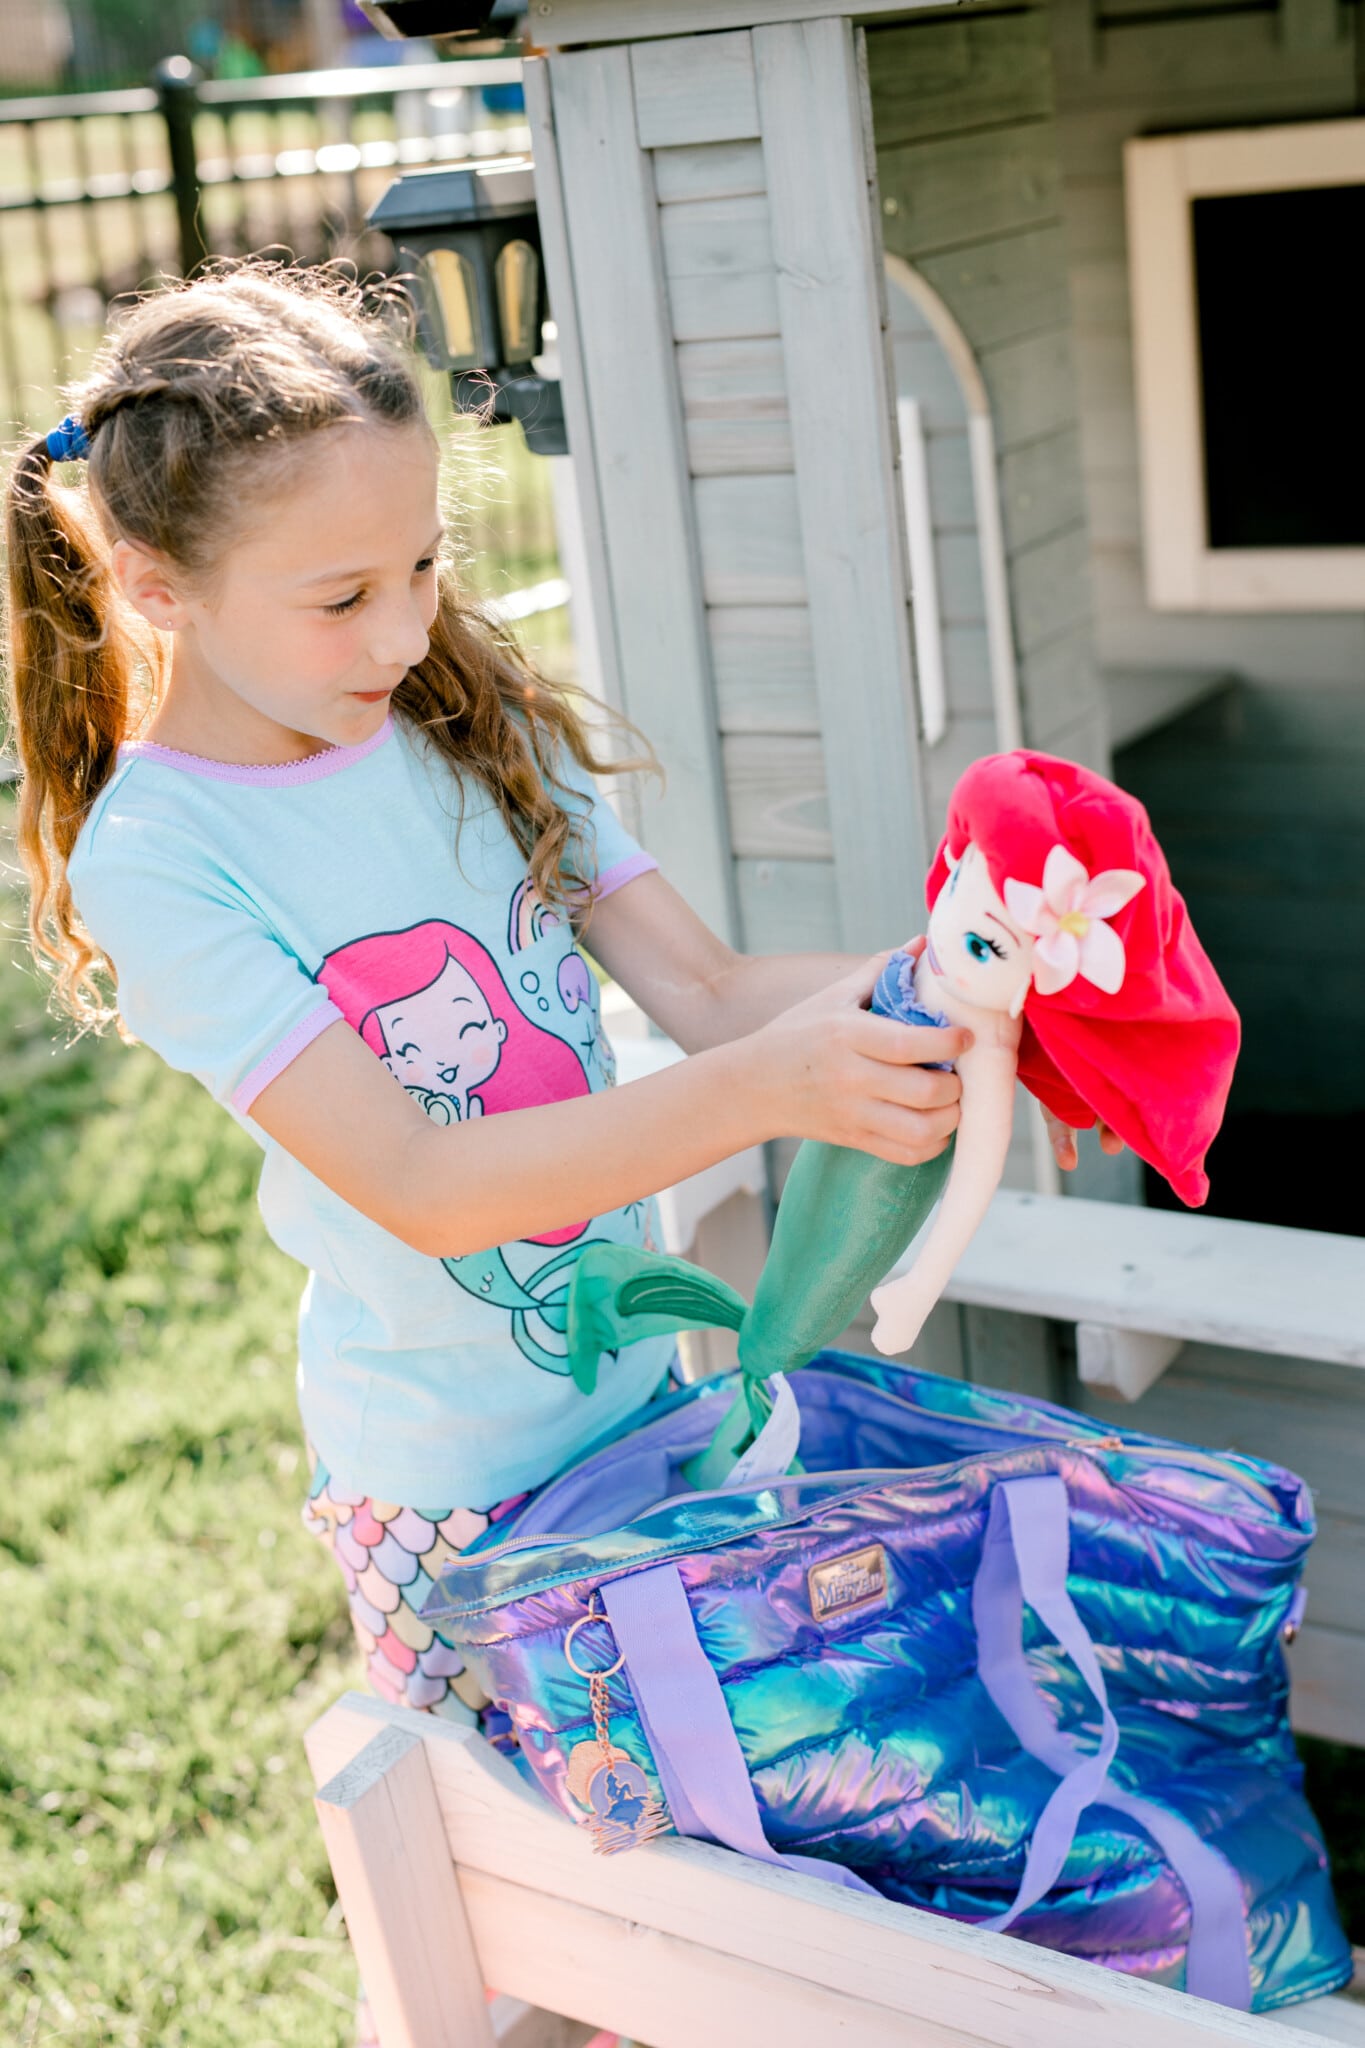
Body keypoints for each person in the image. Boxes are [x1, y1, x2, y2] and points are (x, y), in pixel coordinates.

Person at [3, 261, 1094, 1728]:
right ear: (153, 585)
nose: (401, 636)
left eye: (422, 568)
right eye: (340, 598)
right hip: (452, 1494)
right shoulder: (166, 857)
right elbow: (427, 1186)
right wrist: (766, 1089)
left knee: (706, 1815)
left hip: (646, 1396)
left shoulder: (468, 724)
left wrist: (976, 989)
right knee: (546, 1865)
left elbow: (708, 988)